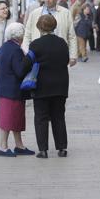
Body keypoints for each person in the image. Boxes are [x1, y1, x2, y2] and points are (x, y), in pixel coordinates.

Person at [24, 14, 70, 159]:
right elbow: (67, 60)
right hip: (60, 85)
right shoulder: (62, 43)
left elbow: (27, 63)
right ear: (54, 26)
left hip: (41, 86)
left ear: (39, 27)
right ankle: (62, 148)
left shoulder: (35, 44)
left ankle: (43, 150)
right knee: (58, 117)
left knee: (41, 117)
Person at [0, 22, 35, 157]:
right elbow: (19, 71)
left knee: (16, 119)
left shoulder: (4, 47)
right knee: (7, 119)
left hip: (5, 88)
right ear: (20, 36)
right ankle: (3, 147)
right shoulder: (16, 50)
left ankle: (19, 145)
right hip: (11, 90)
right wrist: (29, 59)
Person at [22, 0, 77, 67]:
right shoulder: (35, 13)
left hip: (59, 53)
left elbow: (71, 36)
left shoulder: (66, 13)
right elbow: (27, 34)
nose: (47, 0)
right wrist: (27, 52)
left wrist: (73, 56)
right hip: (39, 54)